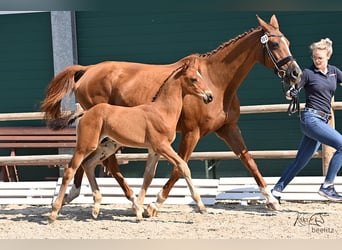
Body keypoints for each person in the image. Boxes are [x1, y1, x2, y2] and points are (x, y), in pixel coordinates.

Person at [272, 38, 342, 201]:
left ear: (328, 56)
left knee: (300, 161)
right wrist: (291, 93)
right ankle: (327, 186)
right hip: (311, 119)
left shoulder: (334, 72)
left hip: (322, 121)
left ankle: (276, 191)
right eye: (314, 57)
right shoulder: (308, 73)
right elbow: (293, 90)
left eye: (320, 58)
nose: (316, 60)